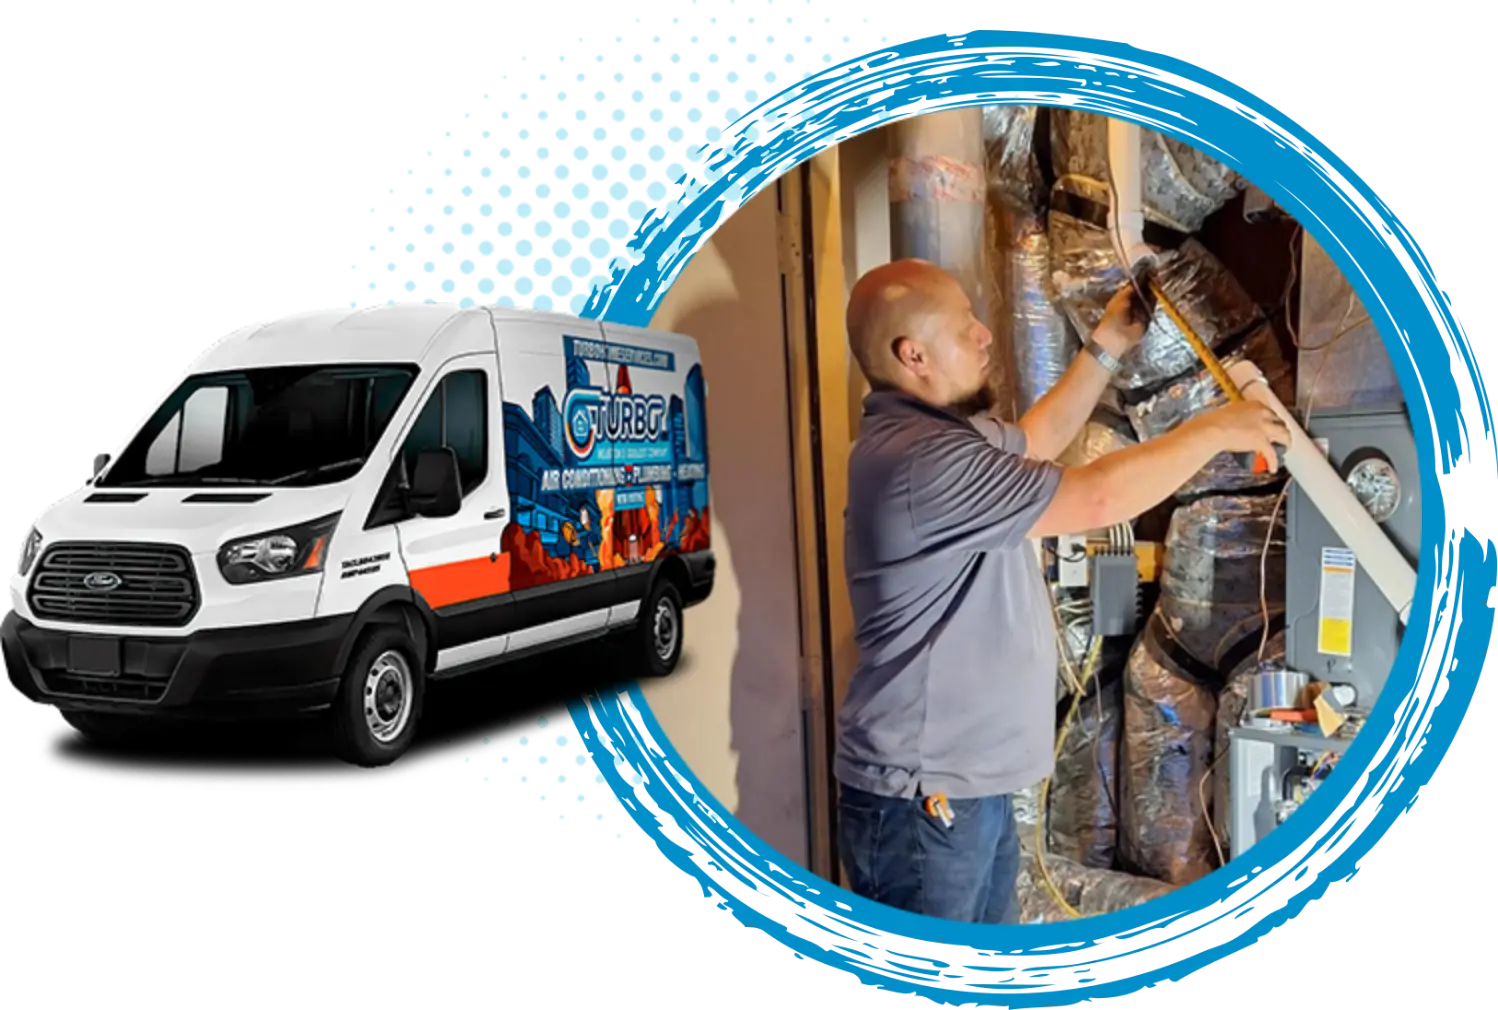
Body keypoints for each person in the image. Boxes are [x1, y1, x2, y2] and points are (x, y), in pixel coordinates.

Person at [835, 258, 1289, 924]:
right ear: (914, 355)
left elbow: (1037, 439)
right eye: (965, 327)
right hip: (925, 801)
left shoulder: (943, 440)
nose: (985, 335)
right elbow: (1096, 497)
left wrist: (1108, 343)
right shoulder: (921, 462)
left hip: (960, 792)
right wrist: (1217, 428)